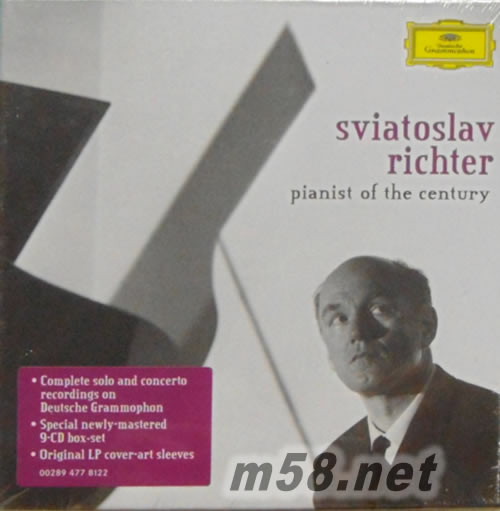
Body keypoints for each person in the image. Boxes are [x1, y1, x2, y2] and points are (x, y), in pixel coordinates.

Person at [313, 256, 498, 508]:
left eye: (378, 309)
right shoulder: (336, 465)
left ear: (426, 326)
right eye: (338, 319)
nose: (356, 332)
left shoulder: (490, 428)